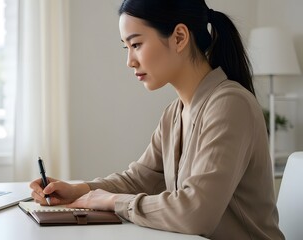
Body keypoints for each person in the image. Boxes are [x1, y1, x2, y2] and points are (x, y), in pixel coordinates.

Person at [30, 0, 284, 239]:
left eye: (136, 44)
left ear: (180, 37)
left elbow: (195, 212)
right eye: (126, 47)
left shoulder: (230, 105)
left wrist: (110, 201)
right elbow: (138, 179)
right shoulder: (174, 113)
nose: (129, 61)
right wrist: (80, 190)